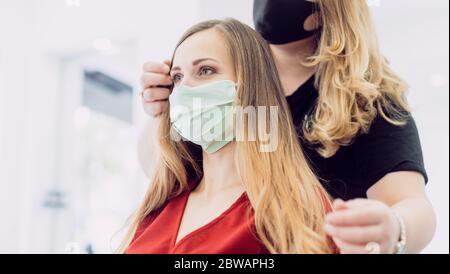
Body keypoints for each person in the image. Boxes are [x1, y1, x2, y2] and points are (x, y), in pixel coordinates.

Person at [138, 0, 436, 254]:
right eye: (181, 76)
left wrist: (393, 229)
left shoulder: (366, 102)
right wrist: (163, 111)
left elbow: (411, 204)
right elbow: (164, 171)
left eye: (205, 70)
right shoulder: (223, 81)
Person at [121, 18, 336, 254]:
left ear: (250, 86)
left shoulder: (295, 210)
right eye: (178, 78)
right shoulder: (163, 202)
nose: (185, 90)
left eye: (205, 70)